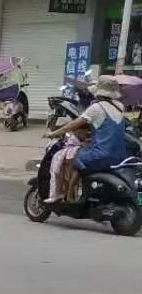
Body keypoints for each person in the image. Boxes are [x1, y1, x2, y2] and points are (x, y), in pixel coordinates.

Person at [47, 74, 128, 205]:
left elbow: (74, 124)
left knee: (72, 159)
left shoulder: (97, 108)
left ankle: (69, 197)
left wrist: (54, 133)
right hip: (120, 156)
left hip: (101, 155)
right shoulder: (120, 106)